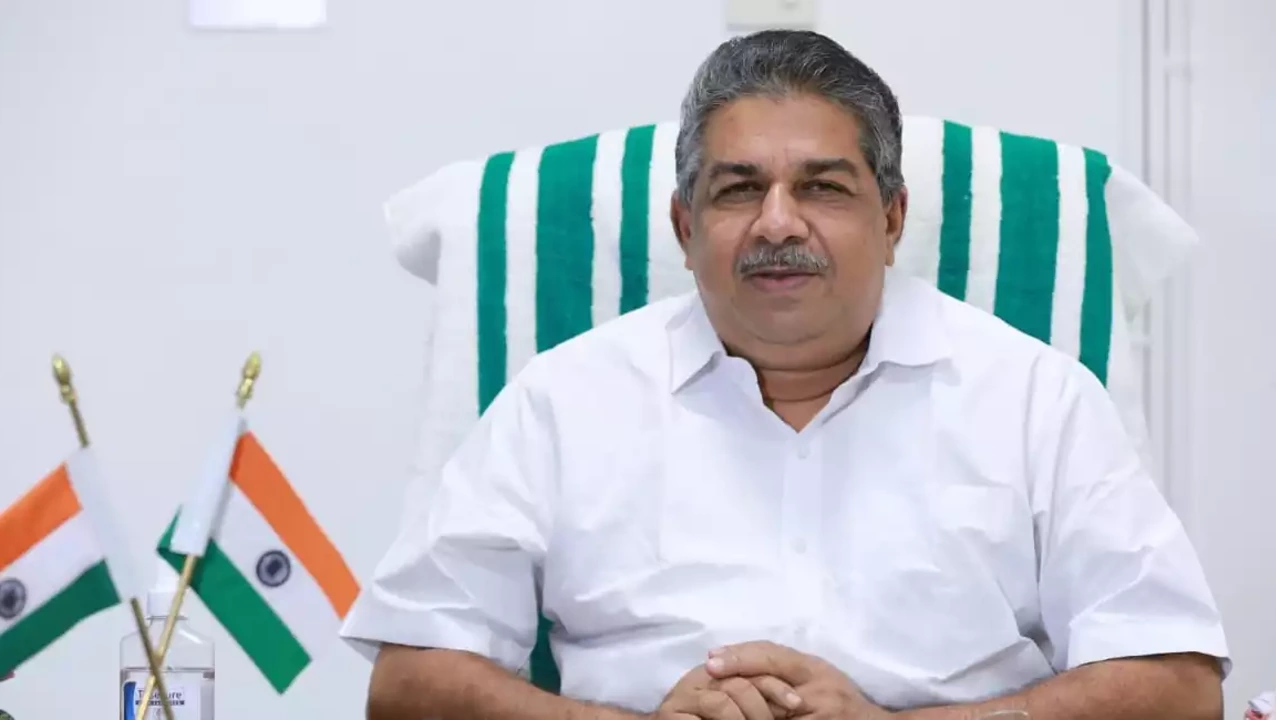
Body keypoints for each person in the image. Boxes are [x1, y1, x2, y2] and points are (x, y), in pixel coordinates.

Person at [340, 29, 1229, 720]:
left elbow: (1178, 686)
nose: (777, 223)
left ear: (892, 218)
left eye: (822, 187)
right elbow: (410, 681)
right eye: (738, 190)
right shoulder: (564, 402)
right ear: (685, 228)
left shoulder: (1034, 398)